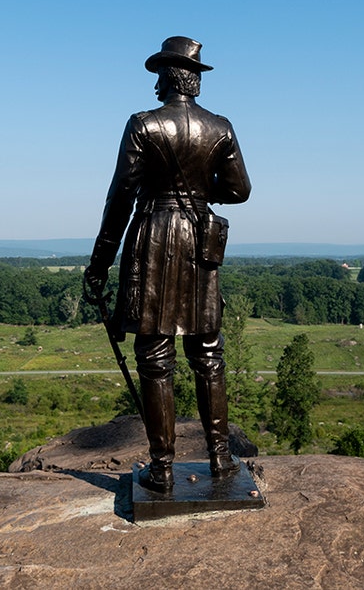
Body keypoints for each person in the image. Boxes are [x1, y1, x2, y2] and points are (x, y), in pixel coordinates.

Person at [85, 36, 252, 492]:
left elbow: (120, 196)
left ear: (168, 77)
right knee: (208, 354)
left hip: (154, 236)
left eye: (160, 73)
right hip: (198, 239)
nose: (157, 83)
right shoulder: (221, 128)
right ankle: (220, 459)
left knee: (156, 357)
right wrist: (199, 194)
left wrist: (99, 261)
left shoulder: (143, 124)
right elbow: (239, 190)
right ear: (194, 80)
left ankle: (162, 467)